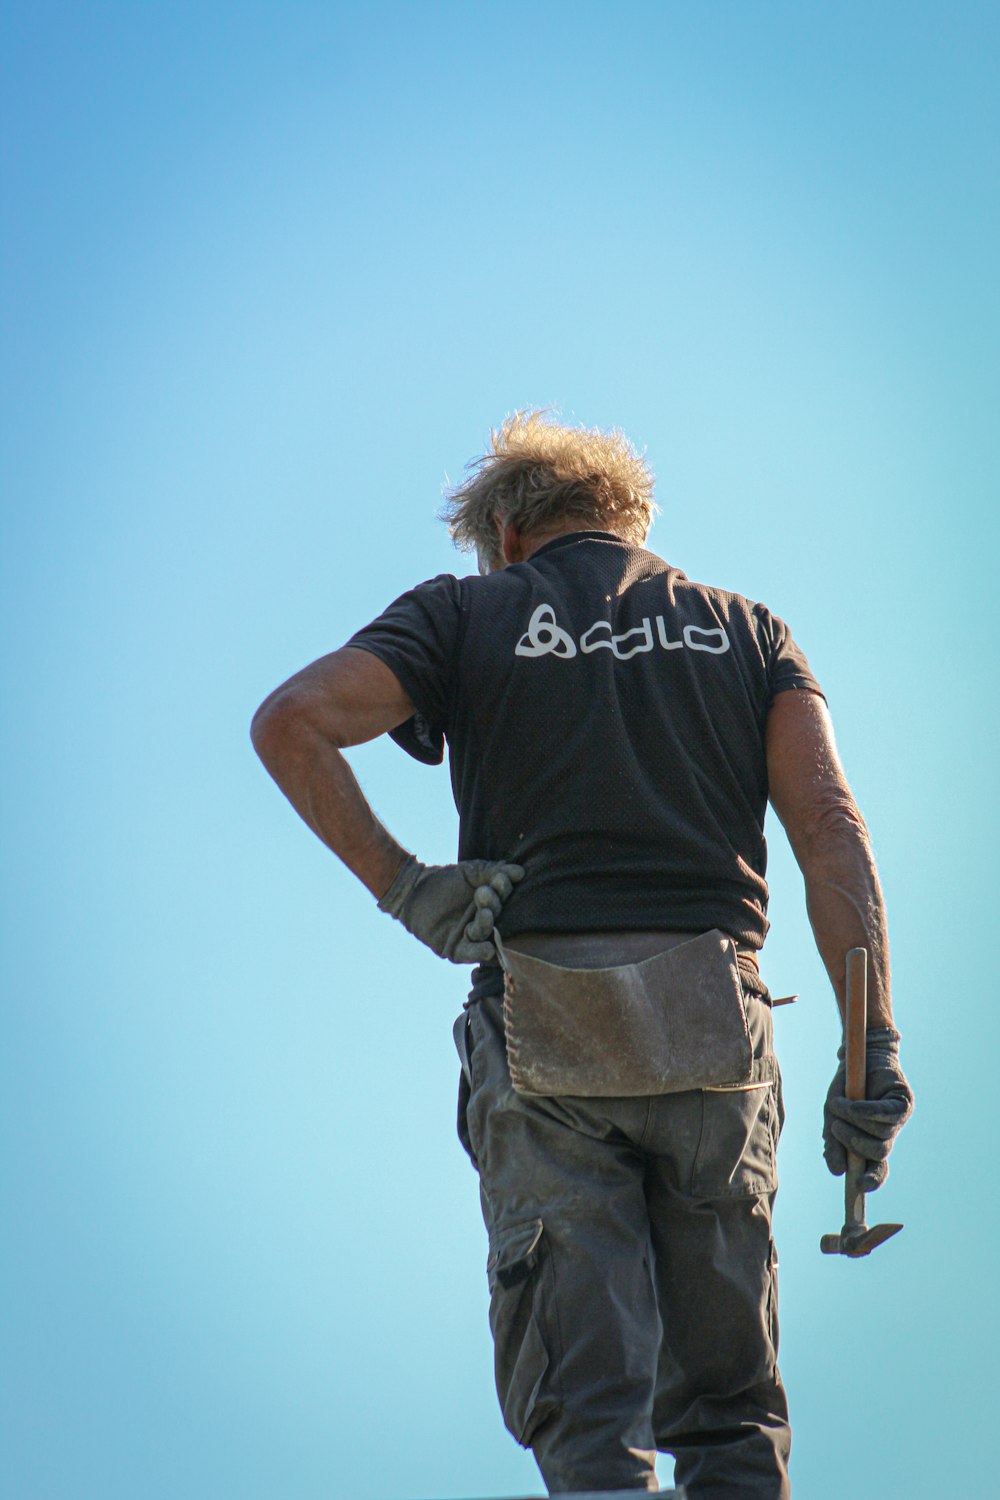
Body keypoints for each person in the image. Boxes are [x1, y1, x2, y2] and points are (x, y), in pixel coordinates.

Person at [250, 412, 913, 1498]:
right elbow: (830, 828)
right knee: (731, 1420)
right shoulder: (749, 632)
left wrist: (408, 887)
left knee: (592, 1428)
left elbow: (292, 720)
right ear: (632, 522)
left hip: (544, 1032)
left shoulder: (462, 612)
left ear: (505, 532)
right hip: (714, 1033)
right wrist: (868, 1054)